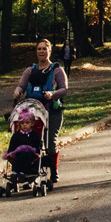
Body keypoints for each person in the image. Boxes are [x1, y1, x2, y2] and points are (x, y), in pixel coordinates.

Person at [14, 39, 69, 186]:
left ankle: (54, 171)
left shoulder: (57, 70)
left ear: (49, 51)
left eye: (44, 49)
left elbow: (64, 90)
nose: (41, 51)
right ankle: (31, 173)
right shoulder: (30, 70)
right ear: (36, 51)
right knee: (31, 141)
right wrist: (17, 92)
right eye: (39, 49)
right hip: (33, 113)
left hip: (51, 111)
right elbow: (21, 86)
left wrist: (52, 94)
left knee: (50, 144)